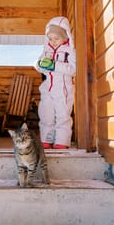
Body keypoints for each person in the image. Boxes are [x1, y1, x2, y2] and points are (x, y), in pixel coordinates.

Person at [35, 16, 76, 149]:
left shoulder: (70, 51)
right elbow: (38, 64)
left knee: (62, 114)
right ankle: (46, 139)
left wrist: (54, 66)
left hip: (63, 87)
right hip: (48, 86)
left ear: (65, 36)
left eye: (56, 38)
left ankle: (61, 142)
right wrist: (41, 64)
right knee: (46, 113)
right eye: (50, 38)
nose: (53, 41)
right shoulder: (47, 49)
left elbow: (73, 70)